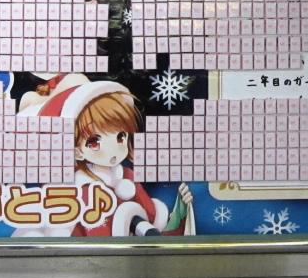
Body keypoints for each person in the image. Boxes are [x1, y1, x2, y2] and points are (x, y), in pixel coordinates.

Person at [16, 73, 194, 237]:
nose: (113, 148)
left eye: (120, 136)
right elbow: (95, 241)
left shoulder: (127, 177)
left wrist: (179, 211)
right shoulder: (79, 190)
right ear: (77, 151)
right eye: (94, 141)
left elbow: (155, 222)